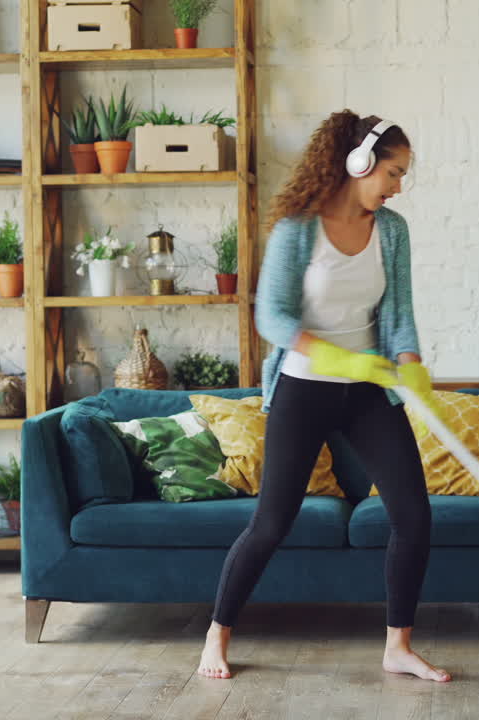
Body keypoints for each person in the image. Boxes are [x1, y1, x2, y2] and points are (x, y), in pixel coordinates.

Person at [197, 110, 451, 683]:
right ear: (357, 163)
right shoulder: (297, 229)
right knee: (271, 523)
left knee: (413, 517)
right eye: (393, 172)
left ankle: (398, 646)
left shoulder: (392, 231)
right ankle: (217, 633)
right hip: (305, 390)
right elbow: (272, 316)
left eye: (402, 175)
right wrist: (335, 357)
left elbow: (398, 311)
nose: (398, 186)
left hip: (367, 392)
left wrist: (409, 363)